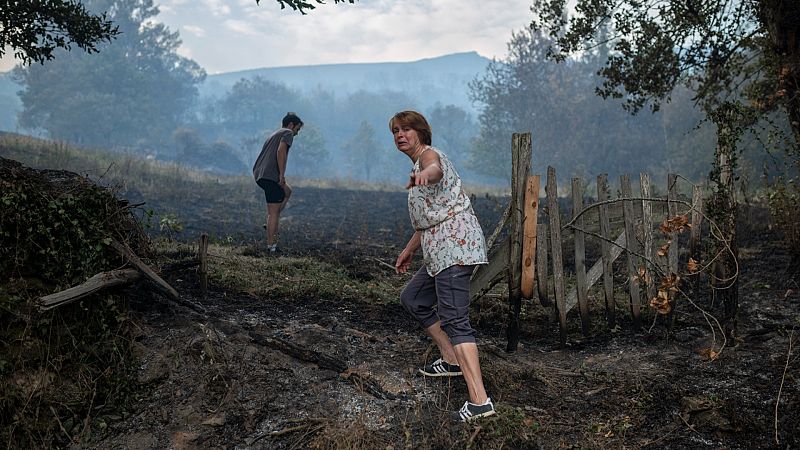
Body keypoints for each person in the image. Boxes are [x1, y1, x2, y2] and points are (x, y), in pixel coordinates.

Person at [390, 110, 495, 422]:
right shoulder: (418, 162)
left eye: (406, 129)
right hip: (440, 249)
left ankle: (479, 401)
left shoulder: (429, 157)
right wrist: (409, 250)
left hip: (454, 246)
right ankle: (451, 359)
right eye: (395, 130)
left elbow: (434, 169)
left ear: (420, 132)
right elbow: (429, 218)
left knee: (455, 320)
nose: (399, 135)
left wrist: (426, 174)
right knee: (414, 299)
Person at [253, 112, 303, 254]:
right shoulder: (287, 133)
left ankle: (269, 223)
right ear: (291, 125)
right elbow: (281, 151)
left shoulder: (274, 134)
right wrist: (281, 175)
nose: (296, 133)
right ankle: (271, 247)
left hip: (260, 174)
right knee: (273, 213)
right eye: (297, 129)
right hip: (270, 176)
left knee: (287, 191)